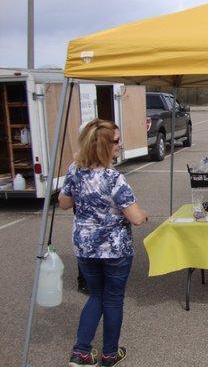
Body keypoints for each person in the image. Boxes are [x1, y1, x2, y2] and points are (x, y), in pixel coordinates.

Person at [59, 118, 148, 367]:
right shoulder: (113, 178)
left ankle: (81, 352)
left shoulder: (74, 171)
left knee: (96, 295)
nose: (120, 146)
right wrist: (143, 215)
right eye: (117, 142)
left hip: (85, 248)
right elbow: (136, 217)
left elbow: (64, 203)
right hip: (115, 250)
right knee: (112, 299)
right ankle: (109, 354)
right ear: (104, 146)